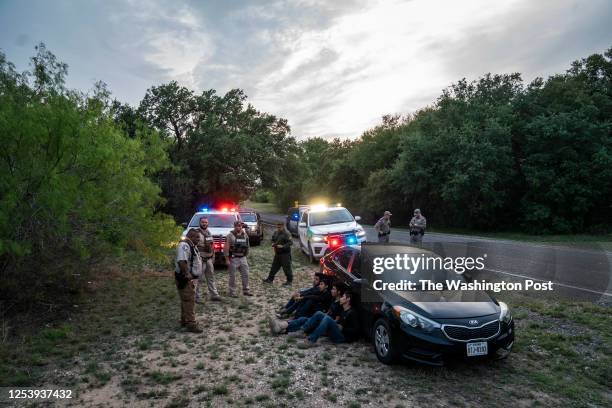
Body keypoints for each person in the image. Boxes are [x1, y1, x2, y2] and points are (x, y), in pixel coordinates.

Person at [269, 291, 360, 347]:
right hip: (334, 330)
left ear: (348, 299)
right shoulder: (342, 310)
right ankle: (282, 327)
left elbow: (355, 331)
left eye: (343, 297)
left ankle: (311, 340)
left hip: (342, 337)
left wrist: (343, 328)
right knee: (310, 317)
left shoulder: (352, 313)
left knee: (326, 319)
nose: (341, 299)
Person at [175, 229, 204, 333]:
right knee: (189, 300)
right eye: (197, 237)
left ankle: (184, 320)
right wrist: (188, 275)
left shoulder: (191, 245)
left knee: (185, 300)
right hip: (185, 278)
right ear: (191, 236)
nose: (199, 240)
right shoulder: (184, 246)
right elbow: (182, 261)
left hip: (190, 278)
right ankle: (191, 324)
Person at [195, 216, 222, 302]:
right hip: (200, 259)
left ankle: (214, 295)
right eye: (203, 222)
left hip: (209, 259)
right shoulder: (196, 233)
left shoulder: (209, 232)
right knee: (198, 279)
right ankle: (197, 297)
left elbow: (212, 246)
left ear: (208, 223)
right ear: (200, 223)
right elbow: (192, 246)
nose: (204, 224)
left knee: (211, 278)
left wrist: (213, 257)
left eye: (206, 222)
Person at [224, 220, 253, 297]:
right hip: (233, 258)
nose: (238, 227)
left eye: (240, 226)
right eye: (237, 226)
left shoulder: (245, 234)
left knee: (246, 274)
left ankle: (246, 290)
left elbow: (247, 245)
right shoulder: (230, 235)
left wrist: (246, 254)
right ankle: (232, 292)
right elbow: (226, 248)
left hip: (243, 258)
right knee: (232, 276)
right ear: (234, 226)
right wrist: (227, 259)